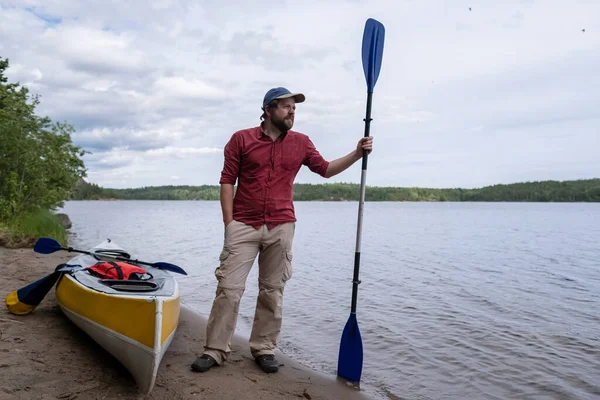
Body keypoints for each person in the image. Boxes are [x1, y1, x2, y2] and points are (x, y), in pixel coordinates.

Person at [191, 87, 374, 374]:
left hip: (282, 225)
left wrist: (356, 152)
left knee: (272, 292)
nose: (292, 112)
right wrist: (229, 224)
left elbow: (325, 170)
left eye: (294, 108)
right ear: (268, 109)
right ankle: (215, 350)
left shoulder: (301, 142)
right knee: (228, 289)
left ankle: (263, 348)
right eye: (287, 106)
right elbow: (227, 181)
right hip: (243, 224)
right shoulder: (241, 139)